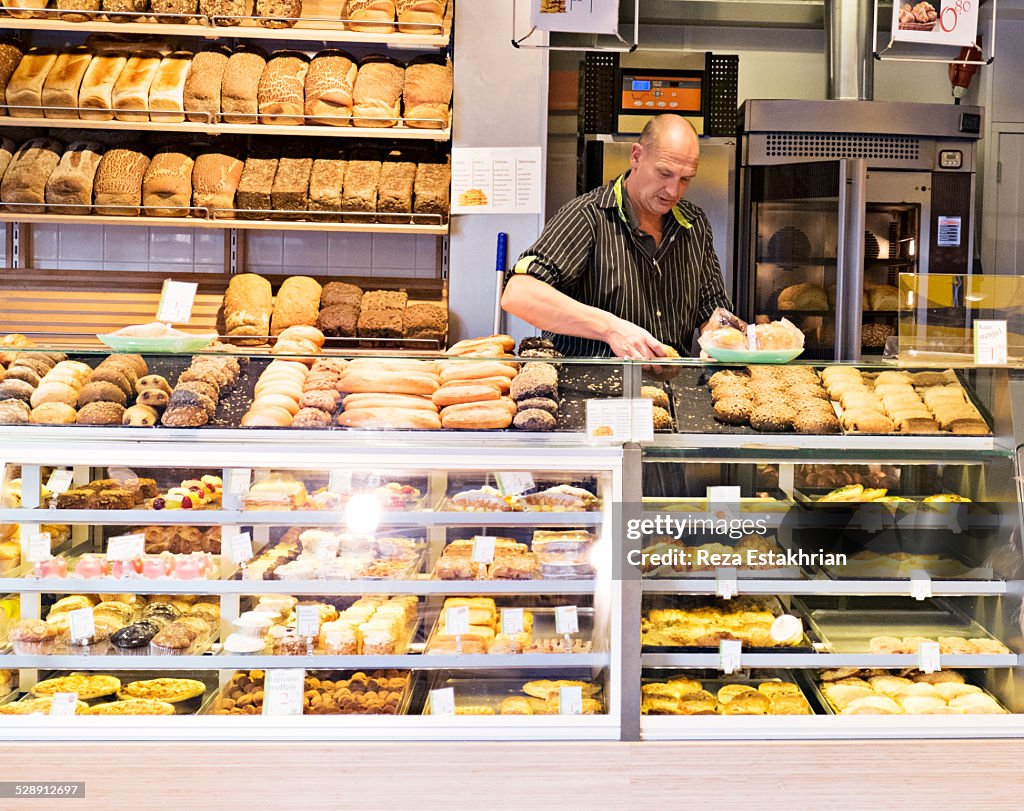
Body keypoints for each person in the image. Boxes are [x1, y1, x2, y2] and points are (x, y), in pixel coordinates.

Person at [501, 114, 732, 359]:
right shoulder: (588, 215)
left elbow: (713, 311)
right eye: (664, 174)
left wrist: (722, 342)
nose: (673, 191)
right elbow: (518, 293)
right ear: (636, 156)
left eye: (685, 179)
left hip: (670, 389)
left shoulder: (694, 224)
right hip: (590, 390)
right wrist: (610, 328)